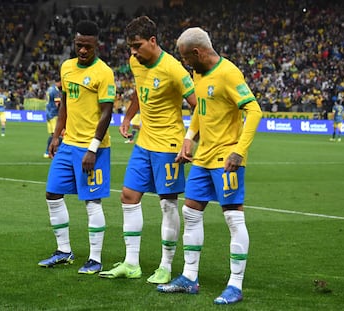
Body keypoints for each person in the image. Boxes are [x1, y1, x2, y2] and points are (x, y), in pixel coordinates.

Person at [157, 27, 262, 305]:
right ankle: (190, 278)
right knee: (190, 212)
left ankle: (235, 285)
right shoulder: (198, 73)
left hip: (227, 159)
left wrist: (239, 151)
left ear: (197, 52)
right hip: (203, 158)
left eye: (184, 57)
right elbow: (201, 112)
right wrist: (189, 138)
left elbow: (254, 110)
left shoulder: (228, 74)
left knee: (232, 217)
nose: (183, 63)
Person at [99, 16, 196, 284]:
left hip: (168, 144)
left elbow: (198, 104)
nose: (132, 52)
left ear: (152, 42)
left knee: (167, 204)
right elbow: (140, 93)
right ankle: (132, 263)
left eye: (137, 46)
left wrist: (190, 138)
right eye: (130, 47)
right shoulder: (135, 62)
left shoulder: (174, 69)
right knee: (129, 196)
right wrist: (129, 117)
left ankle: (165, 265)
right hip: (144, 141)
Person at [38, 20, 116, 275]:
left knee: (92, 201)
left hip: (93, 147)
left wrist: (93, 148)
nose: (83, 51)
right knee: (53, 194)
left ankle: (95, 258)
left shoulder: (104, 72)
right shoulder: (67, 67)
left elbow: (107, 113)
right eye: (79, 45)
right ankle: (63, 251)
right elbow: (65, 106)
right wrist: (56, 135)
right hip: (68, 144)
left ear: (97, 45)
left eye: (88, 47)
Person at [43, 78, 62, 158]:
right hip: (54, 114)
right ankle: (50, 151)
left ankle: (49, 152)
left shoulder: (49, 89)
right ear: (60, 82)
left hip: (48, 114)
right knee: (58, 135)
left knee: (53, 135)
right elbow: (58, 104)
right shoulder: (56, 91)